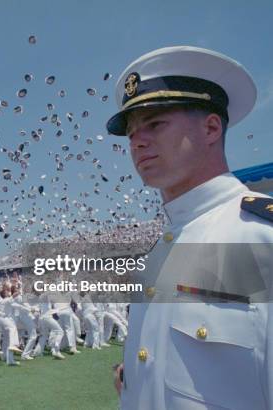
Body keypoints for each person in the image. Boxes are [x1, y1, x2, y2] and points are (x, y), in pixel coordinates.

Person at [107, 46, 273, 409]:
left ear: (211, 127)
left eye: (155, 124)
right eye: (131, 132)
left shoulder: (261, 239)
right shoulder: (162, 249)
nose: (137, 141)